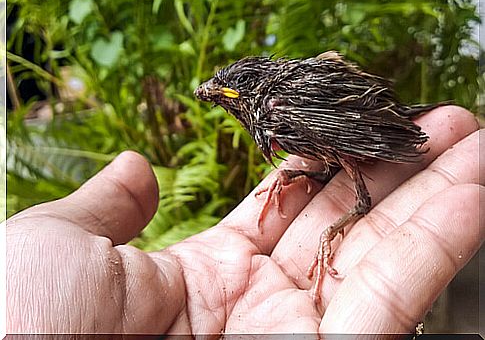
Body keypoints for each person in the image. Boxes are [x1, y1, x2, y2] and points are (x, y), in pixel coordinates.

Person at [6, 105, 483, 335]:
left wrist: (329, 234)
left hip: (370, 144)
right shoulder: (282, 121)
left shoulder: (295, 117)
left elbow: (356, 180)